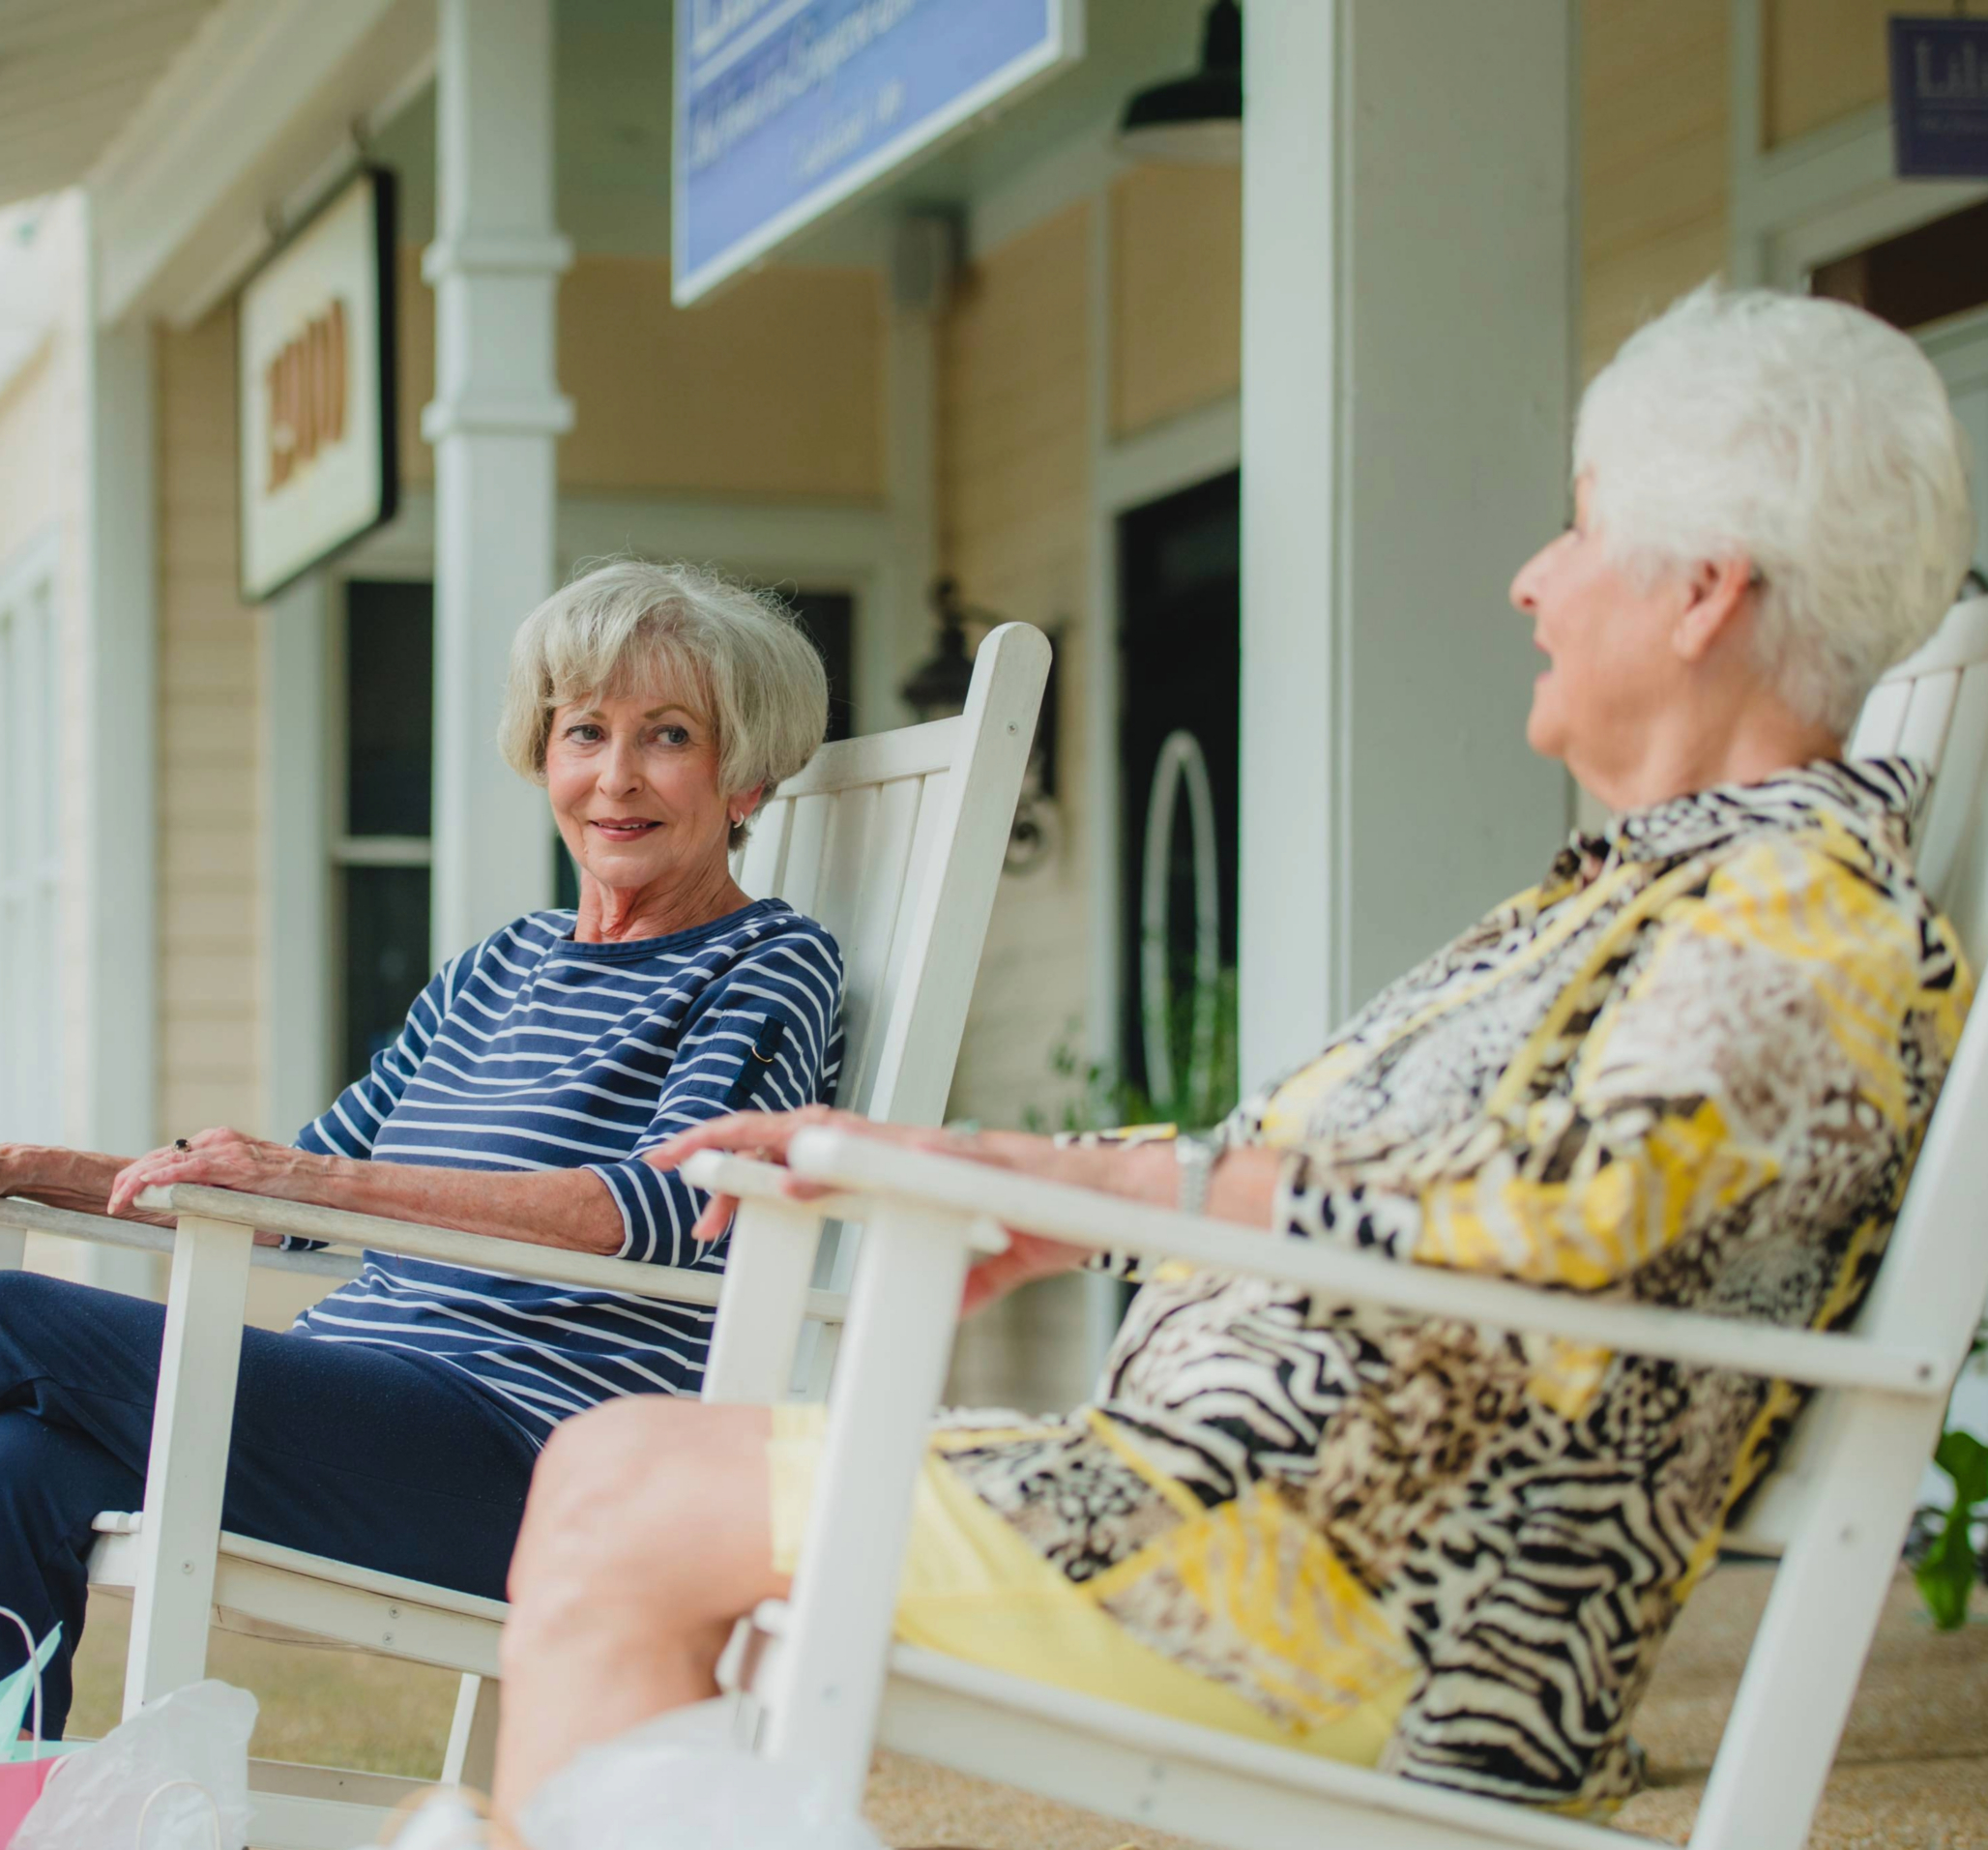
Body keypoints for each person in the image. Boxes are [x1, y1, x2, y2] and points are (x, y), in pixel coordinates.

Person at [483, 284, 1978, 1832]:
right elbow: (1404, 1182)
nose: (1534, 580)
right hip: (1240, 1517)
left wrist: (1062, 1171)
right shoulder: (1656, 893)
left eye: (1582, 533)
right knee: (621, 1478)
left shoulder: (1801, 916)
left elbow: (1577, 1219)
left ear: (1702, 597)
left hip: (1358, 1607)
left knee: (632, 1505)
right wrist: (1064, 1203)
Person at [0, 560, 845, 1737]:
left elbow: (661, 1207)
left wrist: (318, 1181)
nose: (615, 775)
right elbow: (282, 1199)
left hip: (523, 1456)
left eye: (669, 736)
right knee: (16, 1465)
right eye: (585, 730)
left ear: (745, 774)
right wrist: (32, 1164)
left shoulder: (765, 959)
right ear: (542, 751)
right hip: (357, 1410)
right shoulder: (500, 964)